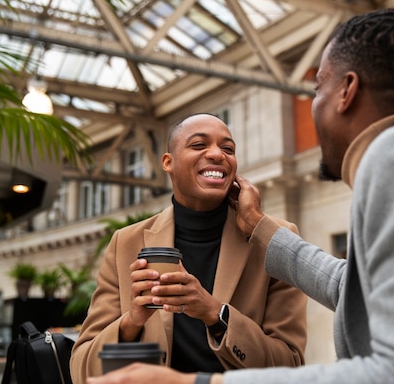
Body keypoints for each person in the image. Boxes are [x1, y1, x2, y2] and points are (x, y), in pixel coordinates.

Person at [85, 9, 394, 384]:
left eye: (317, 87)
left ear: (347, 92)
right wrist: (259, 228)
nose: (314, 104)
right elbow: (353, 289)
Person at [70, 113, 307, 383]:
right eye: (198, 145)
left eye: (228, 148)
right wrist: (132, 321)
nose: (217, 154)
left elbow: (290, 366)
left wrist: (213, 313)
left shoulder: (273, 240)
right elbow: (81, 370)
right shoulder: (126, 243)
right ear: (168, 162)